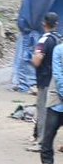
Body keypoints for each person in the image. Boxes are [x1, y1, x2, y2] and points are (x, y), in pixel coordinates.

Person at [32, 12, 59, 146]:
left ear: (44, 24)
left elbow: (37, 60)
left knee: (42, 110)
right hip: (57, 81)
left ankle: (41, 141)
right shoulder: (58, 39)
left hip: (45, 80)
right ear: (57, 24)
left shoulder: (44, 40)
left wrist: (33, 58)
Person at [39, 38, 63, 164]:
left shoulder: (58, 49)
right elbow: (58, 76)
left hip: (56, 102)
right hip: (57, 102)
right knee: (47, 141)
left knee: (47, 140)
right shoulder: (59, 50)